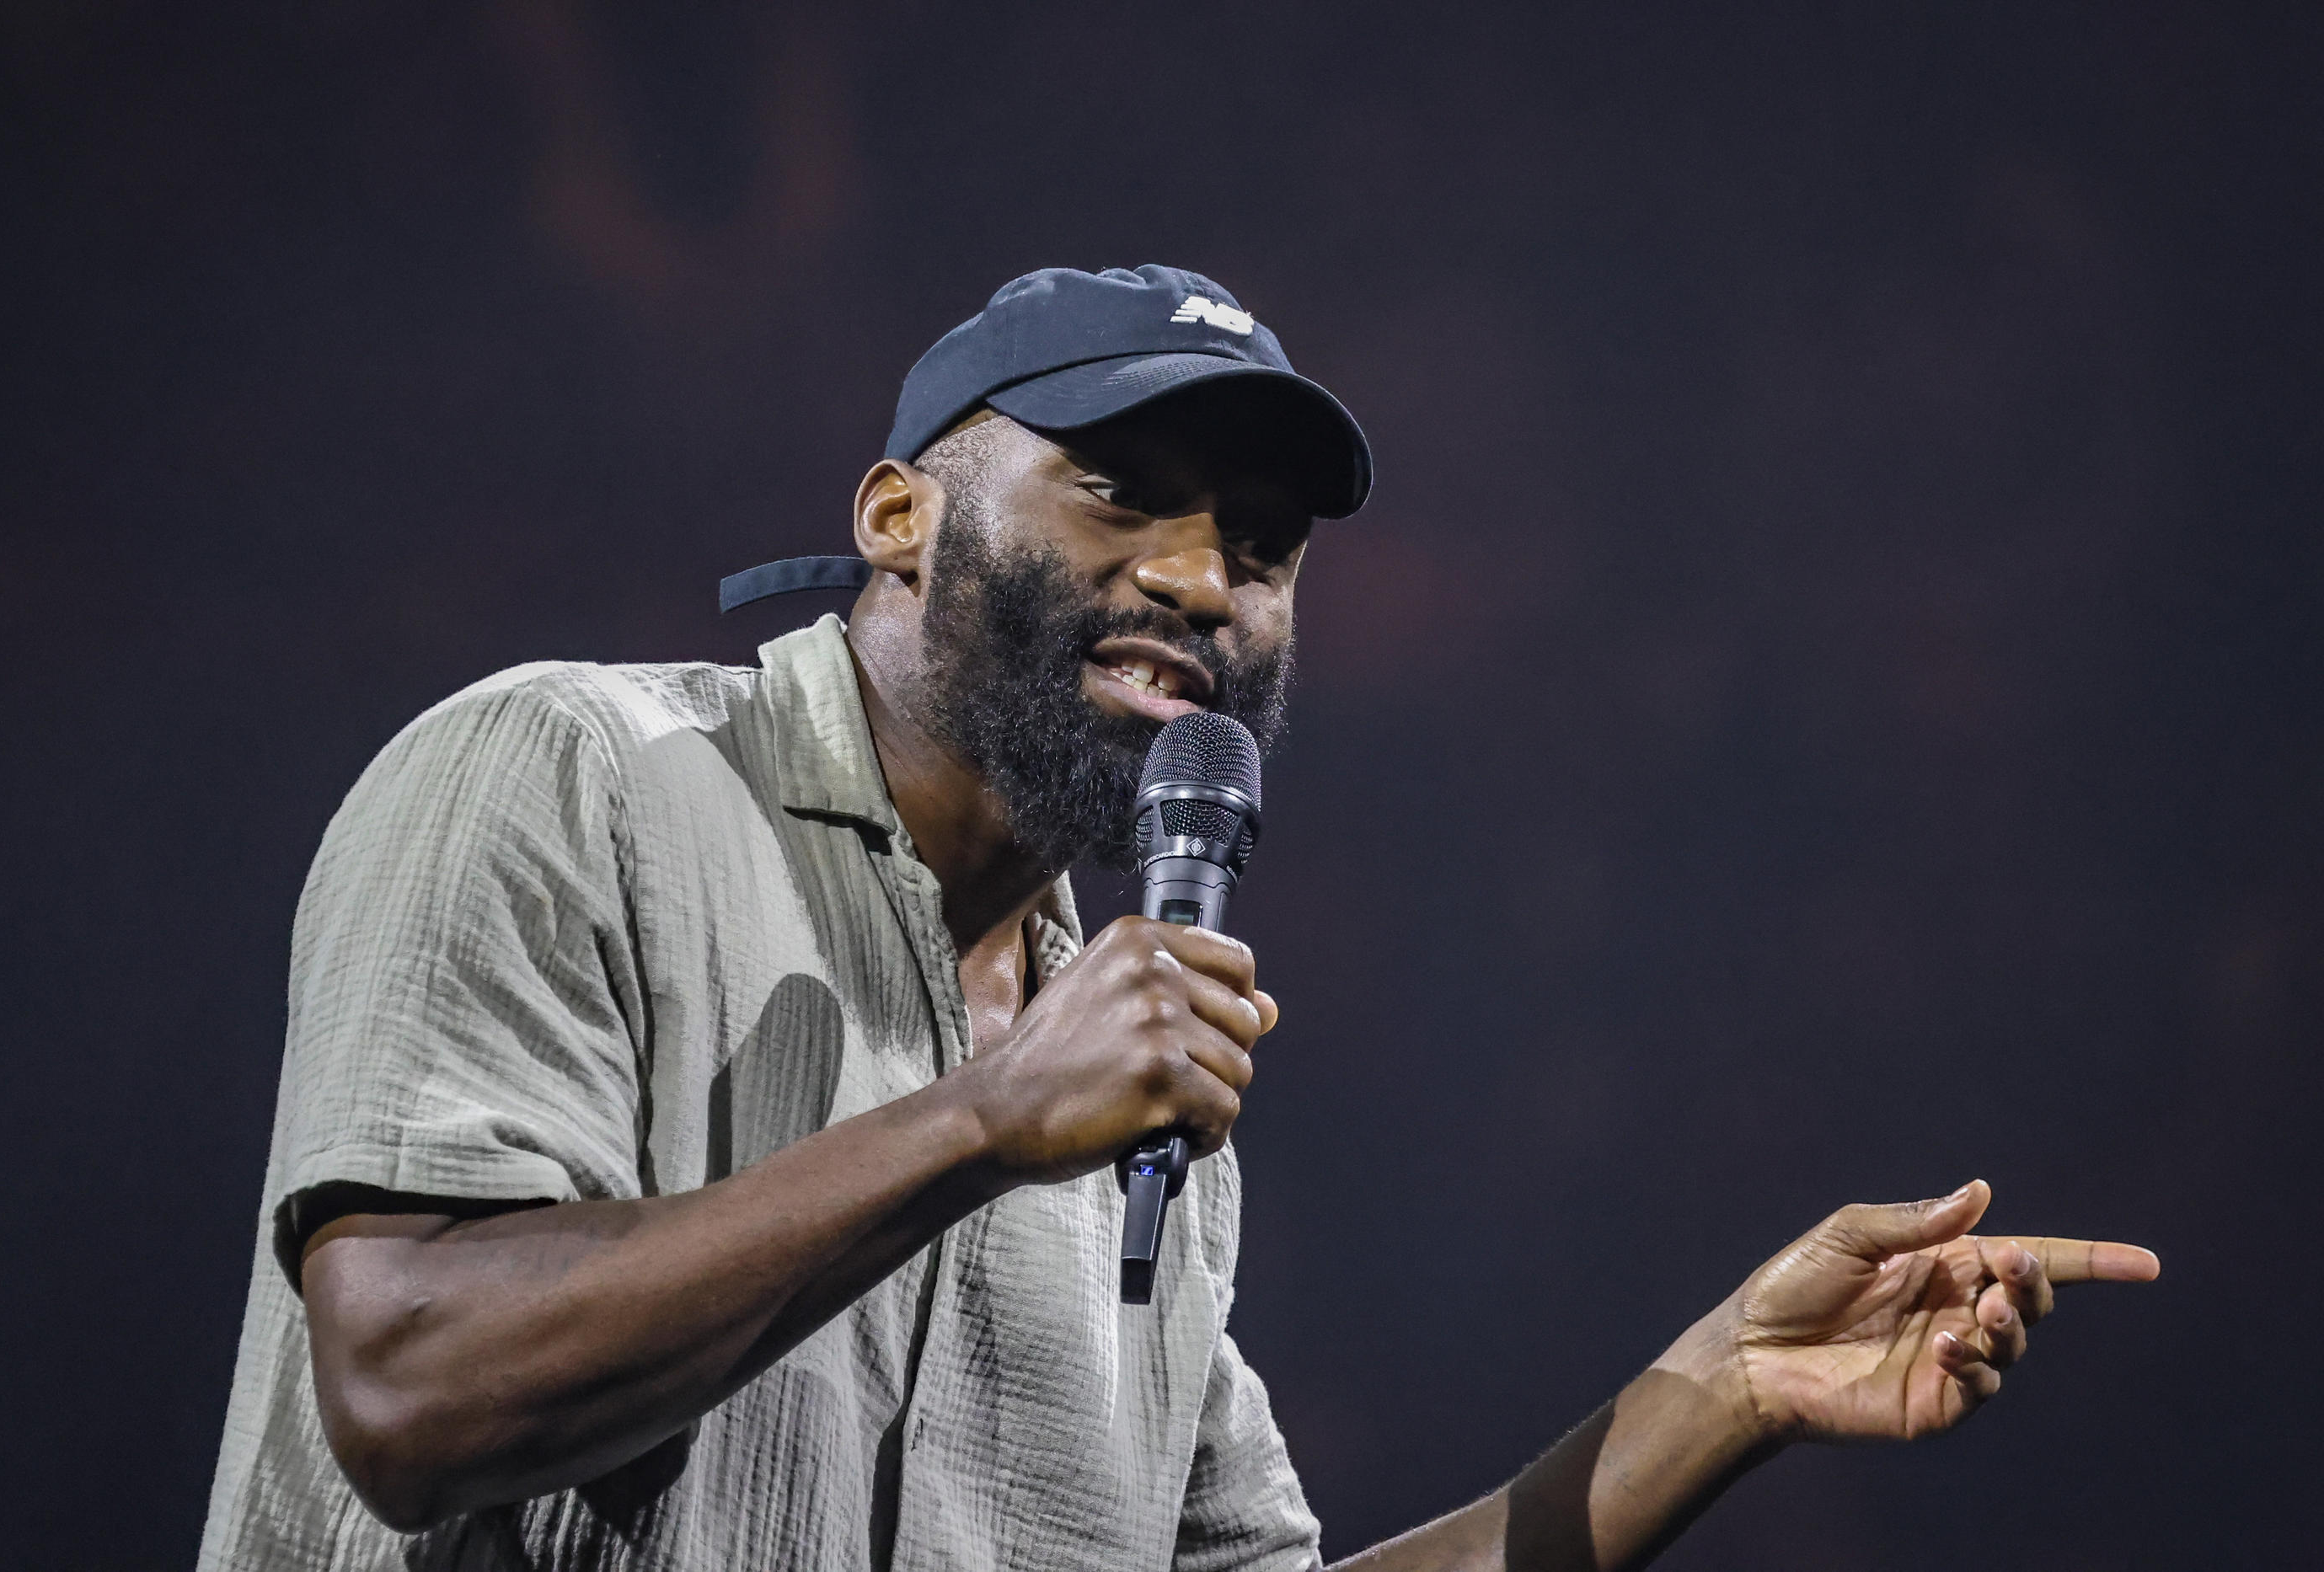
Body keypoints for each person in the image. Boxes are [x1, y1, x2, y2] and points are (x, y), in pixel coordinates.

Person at [198, 265, 2159, 1572]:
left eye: (1260, 548)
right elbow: (408, 1390)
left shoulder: (1136, 1079)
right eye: (1115, 490)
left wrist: (1718, 1389)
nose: (1202, 579)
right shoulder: (573, 777)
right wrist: (977, 1124)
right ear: (899, 517)